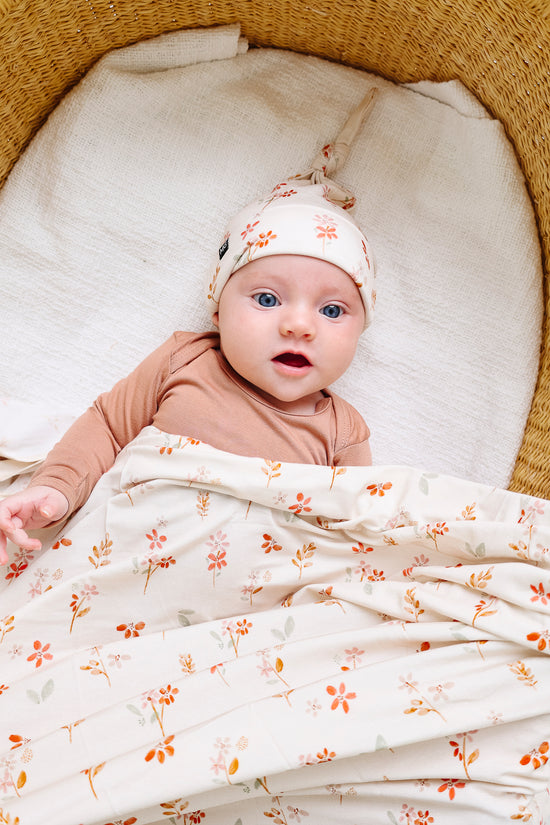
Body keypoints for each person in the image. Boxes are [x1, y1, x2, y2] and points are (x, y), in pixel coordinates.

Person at [0, 91, 378, 566]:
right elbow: (107, 428)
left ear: (361, 332)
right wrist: (53, 490)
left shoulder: (342, 432)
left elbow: (356, 536)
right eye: (267, 299)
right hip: (119, 558)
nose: (300, 325)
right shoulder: (188, 360)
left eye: (332, 311)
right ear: (218, 313)